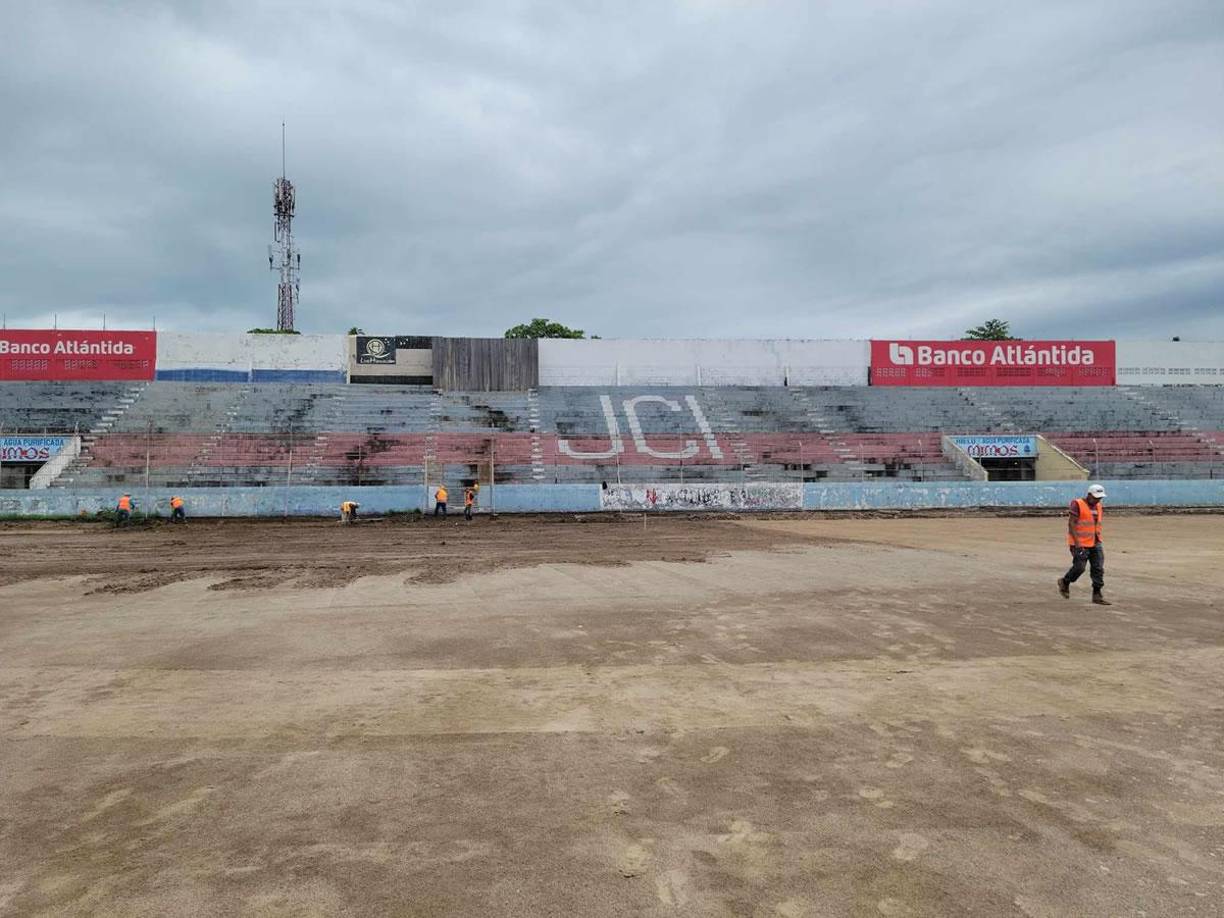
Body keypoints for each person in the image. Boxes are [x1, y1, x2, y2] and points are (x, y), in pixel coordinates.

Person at [1057, 484, 1111, 605]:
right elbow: (1071, 524)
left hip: (1095, 542)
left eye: (1100, 498)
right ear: (1089, 495)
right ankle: (1065, 581)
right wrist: (1077, 544)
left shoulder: (1098, 506)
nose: (1098, 500)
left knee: (1098, 568)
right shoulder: (1077, 504)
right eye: (1096, 497)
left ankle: (1097, 594)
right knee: (1079, 568)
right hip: (1079, 543)